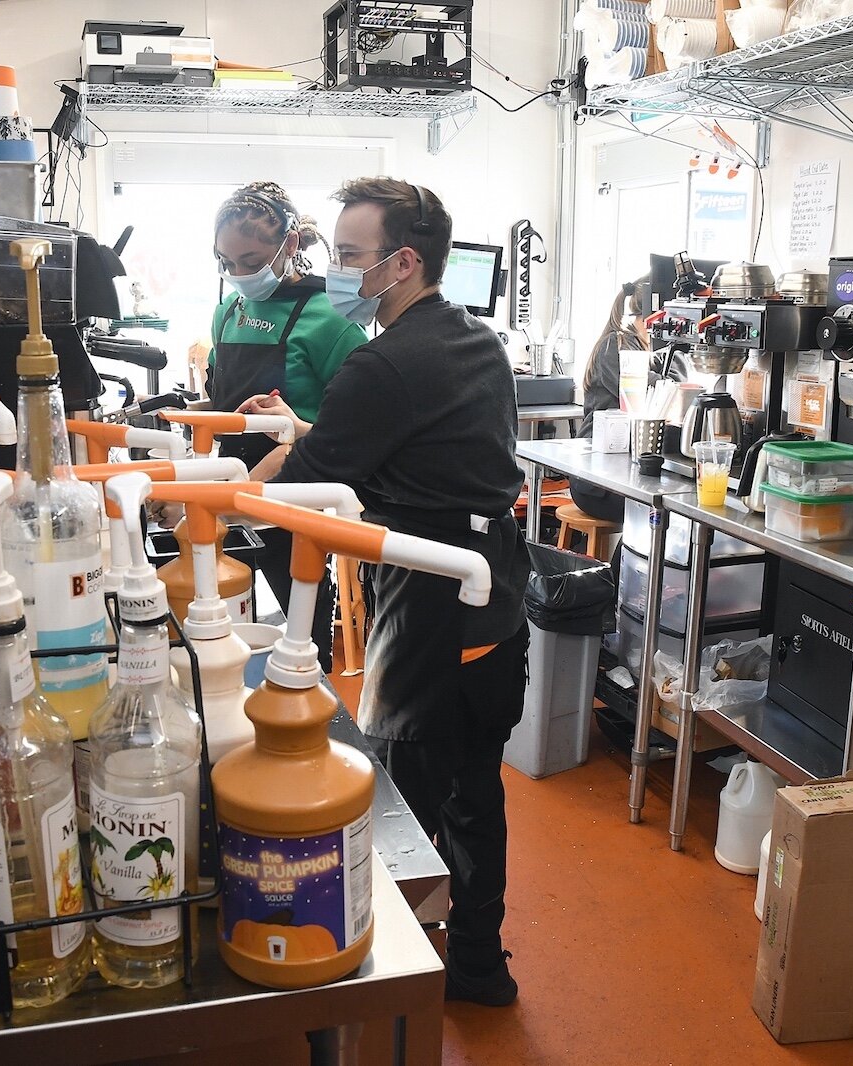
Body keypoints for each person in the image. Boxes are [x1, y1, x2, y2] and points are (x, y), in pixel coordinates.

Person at [242, 177, 530, 1007]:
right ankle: (480, 965)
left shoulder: (382, 362)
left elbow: (300, 485)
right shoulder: (471, 340)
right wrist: (307, 428)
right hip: (493, 592)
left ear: (403, 262)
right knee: (475, 787)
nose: (334, 270)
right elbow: (417, 450)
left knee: (401, 806)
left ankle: (387, 992)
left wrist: (219, 491)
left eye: (348, 256)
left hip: (433, 599)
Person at [207, 181, 365, 671]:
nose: (237, 275)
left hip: (296, 493)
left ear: (291, 244)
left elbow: (362, 422)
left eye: (251, 262)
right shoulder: (228, 311)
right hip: (234, 486)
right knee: (225, 627)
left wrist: (299, 429)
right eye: (225, 262)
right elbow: (221, 400)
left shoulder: (330, 319)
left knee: (301, 635)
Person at [571, 275, 652, 523]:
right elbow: (644, 397)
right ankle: (621, 564)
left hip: (630, 473)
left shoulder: (656, 350)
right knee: (658, 516)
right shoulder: (615, 346)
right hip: (597, 484)